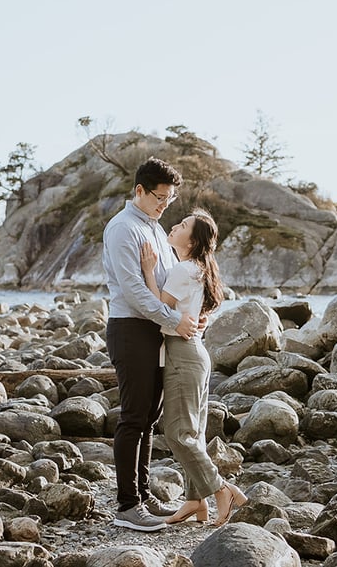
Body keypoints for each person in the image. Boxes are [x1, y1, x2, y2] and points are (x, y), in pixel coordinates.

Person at [102, 156, 198, 532]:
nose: (163, 204)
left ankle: (142, 494)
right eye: (159, 196)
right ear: (139, 190)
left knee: (149, 418)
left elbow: (165, 286)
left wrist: (190, 316)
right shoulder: (123, 228)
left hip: (156, 330)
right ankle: (127, 506)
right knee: (132, 417)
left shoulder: (155, 228)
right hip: (130, 328)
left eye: (170, 199)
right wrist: (175, 321)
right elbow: (135, 292)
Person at [140, 207, 248, 526]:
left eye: (184, 225)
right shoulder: (196, 268)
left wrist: (148, 270)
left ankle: (221, 489)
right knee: (194, 434)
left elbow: (158, 307)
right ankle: (194, 501)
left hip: (183, 354)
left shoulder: (184, 268)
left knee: (177, 433)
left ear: (193, 240)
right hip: (195, 353)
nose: (176, 225)